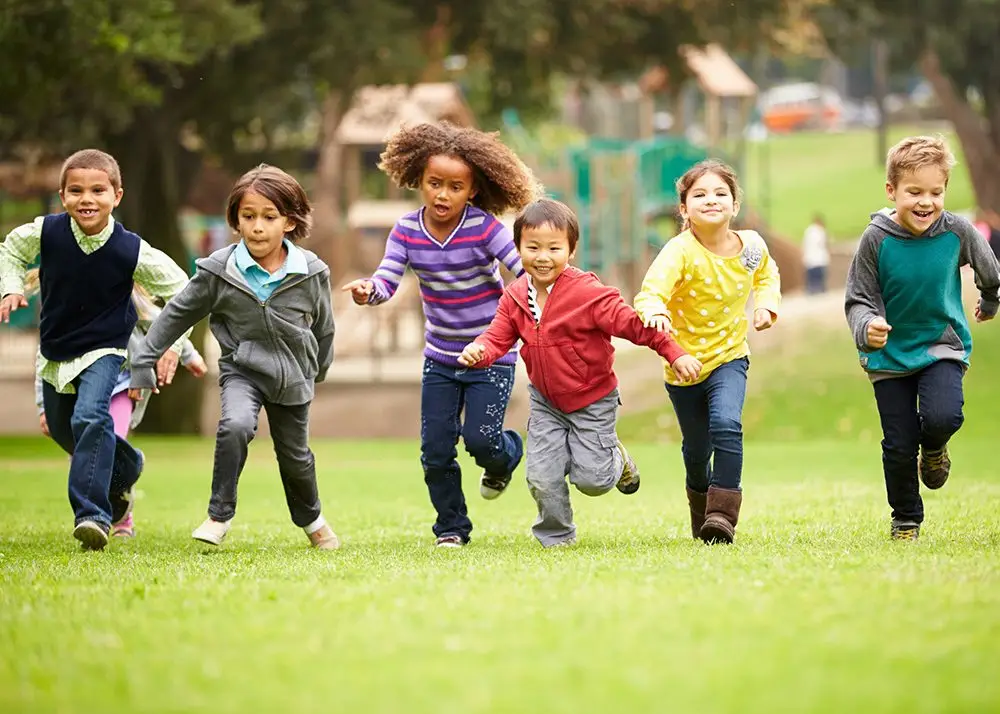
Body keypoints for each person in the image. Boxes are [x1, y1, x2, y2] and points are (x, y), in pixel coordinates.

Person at [341, 121, 541, 548]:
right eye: (434, 183)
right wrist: (368, 291)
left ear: (472, 190)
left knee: (482, 442)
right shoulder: (407, 231)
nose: (442, 194)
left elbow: (522, 269)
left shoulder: (485, 228)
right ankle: (451, 527)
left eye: (454, 186)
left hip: (491, 355)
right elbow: (387, 279)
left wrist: (547, 298)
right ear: (419, 180)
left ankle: (507, 454)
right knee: (435, 451)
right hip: (441, 360)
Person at [459, 199, 698, 548]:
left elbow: (635, 326)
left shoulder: (587, 294)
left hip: (593, 399)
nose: (543, 257)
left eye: (554, 248)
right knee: (541, 475)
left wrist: (674, 352)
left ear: (570, 251)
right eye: (533, 247)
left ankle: (617, 460)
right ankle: (556, 536)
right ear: (518, 248)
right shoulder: (513, 297)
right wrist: (479, 350)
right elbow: (497, 338)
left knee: (593, 479)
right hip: (546, 402)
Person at [128, 164, 339, 550]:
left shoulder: (311, 272)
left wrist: (318, 369)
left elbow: (324, 327)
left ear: (289, 222)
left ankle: (312, 520)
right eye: (248, 216)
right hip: (242, 369)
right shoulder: (218, 271)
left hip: (294, 374)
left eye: (269, 217)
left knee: (295, 458)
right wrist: (144, 361)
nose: (258, 226)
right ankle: (218, 515)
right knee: (236, 426)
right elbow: (177, 313)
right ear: (236, 221)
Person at [0, 149, 190, 550]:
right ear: (62, 195)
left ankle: (92, 515)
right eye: (76, 190)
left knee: (90, 417)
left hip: (106, 349)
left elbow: (181, 291)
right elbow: (12, 249)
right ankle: (128, 463)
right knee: (65, 428)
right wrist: (13, 287)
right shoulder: (46, 233)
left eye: (98, 190)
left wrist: (176, 342)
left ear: (116, 196)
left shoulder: (131, 249)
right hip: (56, 350)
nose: (87, 198)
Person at [844, 135, 1000, 541]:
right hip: (889, 356)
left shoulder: (956, 231)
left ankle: (933, 449)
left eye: (936, 191)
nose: (925, 202)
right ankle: (906, 518)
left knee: (942, 416)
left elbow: (990, 269)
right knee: (898, 444)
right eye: (914, 192)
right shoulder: (875, 240)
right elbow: (858, 299)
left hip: (940, 346)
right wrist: (867, 327)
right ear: (891, 191)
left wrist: (989, 300)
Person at [634, 159, 781, 544]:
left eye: (721, 193)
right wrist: (655, 312)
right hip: (683, 367)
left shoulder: (751, 245)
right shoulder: (678, 252)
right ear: (684, 209)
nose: (711, 200)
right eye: (699, 195)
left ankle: (722, 515)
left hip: (730, 357)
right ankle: (701, 511)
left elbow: (766, 273)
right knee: (697, 451)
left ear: (735, 205)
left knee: (727, 426)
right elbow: (651, 291)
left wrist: (765, 304)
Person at [27, 279, 208, 538]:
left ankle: (122, 521)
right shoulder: (61, 308)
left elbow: (163, 323)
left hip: (122, 384)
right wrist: (44, 405)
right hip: (80, 387)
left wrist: (188, 355)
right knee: (87, 453)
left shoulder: (124, 296)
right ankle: (102, 506)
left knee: (109, 448)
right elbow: (44, 357)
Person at [802, 214, 829, 295]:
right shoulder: (820, 231)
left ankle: (812, 290)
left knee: (812, 276)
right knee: (818, 275)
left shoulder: (809, 231)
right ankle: (819, 290)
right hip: (818, 258)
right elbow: (824, 243)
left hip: (812, 257)